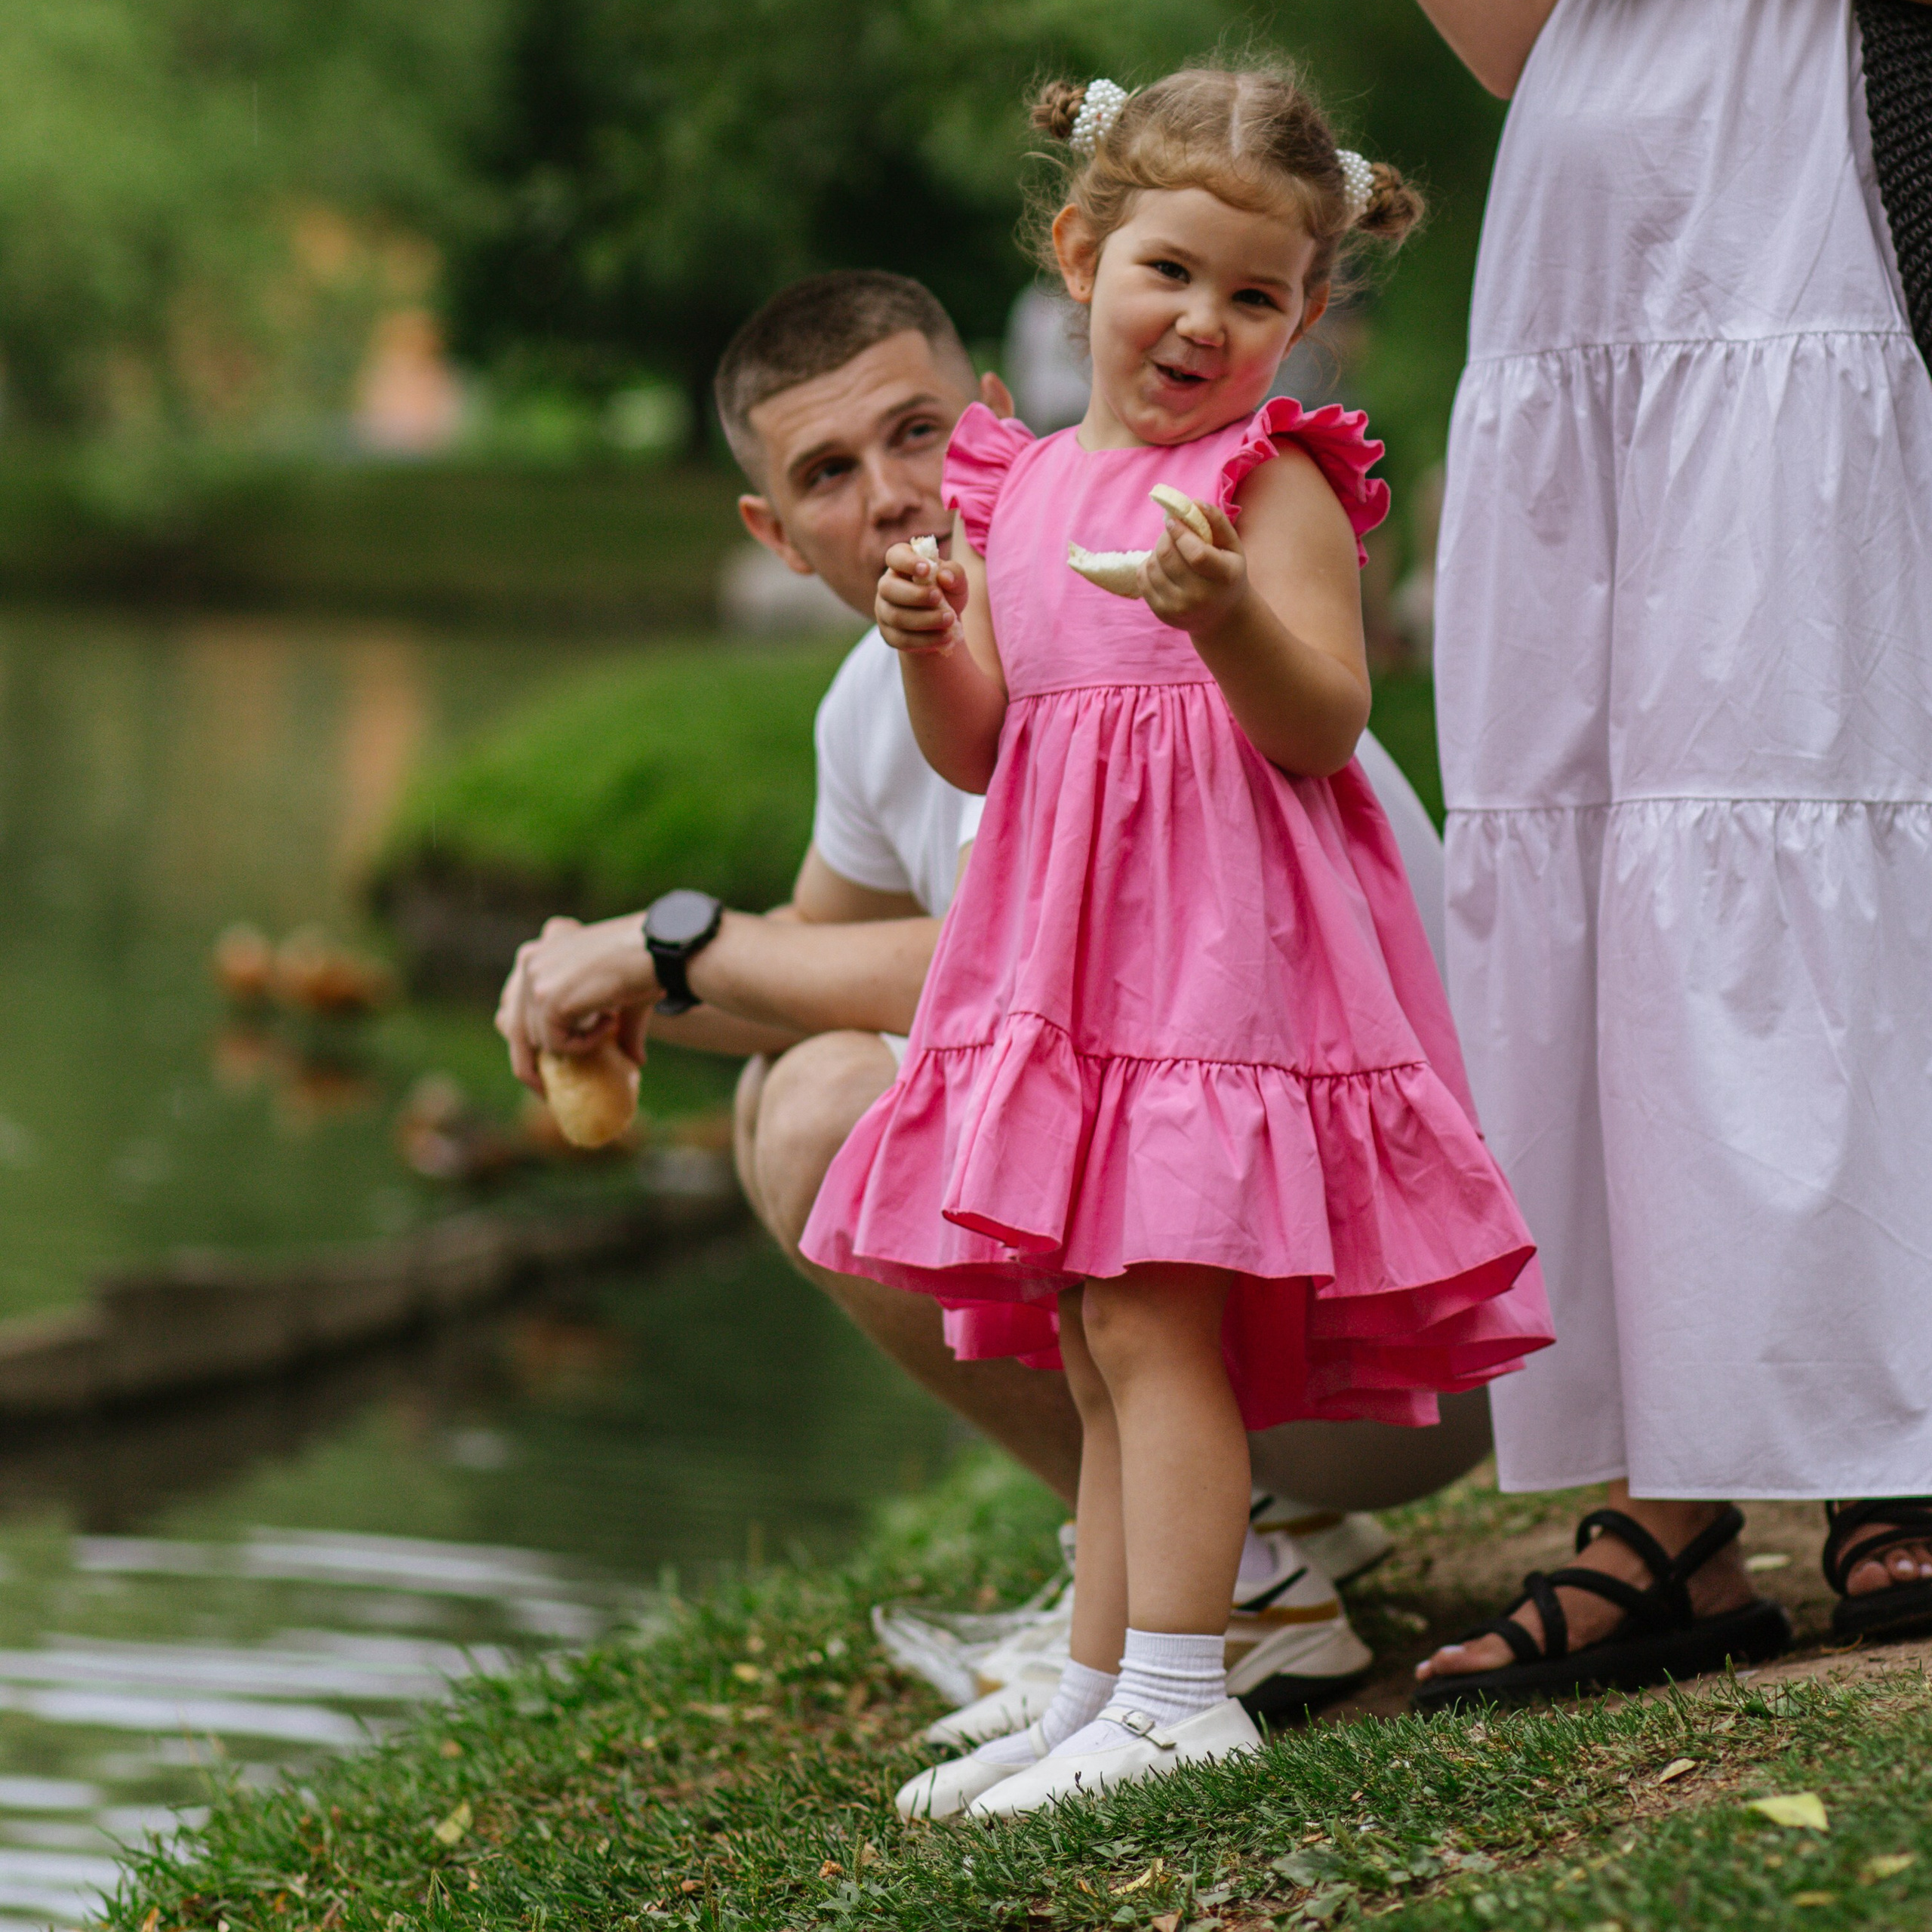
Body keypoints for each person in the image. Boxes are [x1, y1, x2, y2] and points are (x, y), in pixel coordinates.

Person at [494, 269, 1491, 1730]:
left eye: (912, 433)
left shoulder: (1102, 596)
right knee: (798, 1083)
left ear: (989, 417)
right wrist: (596, 975)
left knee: (820, 1112)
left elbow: (1014, 963)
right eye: (826, 474)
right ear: (773, 534)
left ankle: (1239, 1587)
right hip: (1269, 1327)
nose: (891, 496)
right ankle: (1243, 1546)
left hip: (1417, 1321)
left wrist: (661, 946)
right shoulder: (876, 694)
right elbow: (797, 964)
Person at [801, 65, 1554, 1820]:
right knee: (1086, 1324)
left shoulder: (1272, 479)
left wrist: (1222, 615)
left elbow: (1319, 722)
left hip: (1213, 974)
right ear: (1079, 253)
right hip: (1066, 971)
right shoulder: (1022, 484)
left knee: (1155, 1329)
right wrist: (927, 637)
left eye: (1253, 294)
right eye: (1168, 272)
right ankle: (1093, 1685)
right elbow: (985, 743)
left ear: (1303, 312)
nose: (1202, 321)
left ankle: (1177, 1690)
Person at [1412, 0, 1932, 1712]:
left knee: (1810, 749)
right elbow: (1496, 36)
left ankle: (1894, 1434)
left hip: (1819, 132)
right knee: (1590, 803)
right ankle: (1661, 1499)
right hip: (1590, 166)